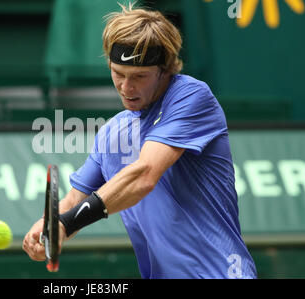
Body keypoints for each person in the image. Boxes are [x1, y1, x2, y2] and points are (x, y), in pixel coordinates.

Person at [23, 4, 257, 279]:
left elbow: (144, 175)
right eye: (118, 73)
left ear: (165, 70)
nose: (125, 87)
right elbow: (75, 199)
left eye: (139, 77)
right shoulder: (112, 132)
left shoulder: (192, 97)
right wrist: (48, 228)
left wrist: (68, 222)